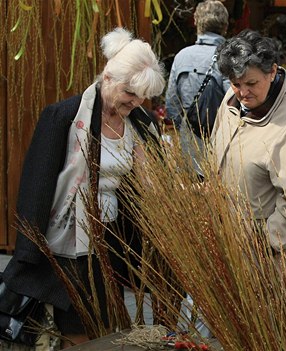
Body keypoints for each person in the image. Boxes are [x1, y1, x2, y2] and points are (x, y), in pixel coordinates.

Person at [3, 28, 165, 348]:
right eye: (129, 92)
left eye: (141, 96)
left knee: (104, 324)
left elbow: (148, 184)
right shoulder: (63, 116)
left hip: (112, 239)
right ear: (107, 76)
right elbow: (37, 184)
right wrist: (27, 253)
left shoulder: (141, 123)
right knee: (76, 326)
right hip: (67, 239)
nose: (135, 102)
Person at [211, 29, 286, 298]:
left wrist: (263, 242)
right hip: (229, 246)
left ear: (272, 72)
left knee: (272, 335)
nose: (242, 92)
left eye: (251, 83)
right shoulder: (232, 98)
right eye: (236, 83)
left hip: (269, 259)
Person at [166, 0, 229, 168]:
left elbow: (171, 106)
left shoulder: (181, 57)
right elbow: (237, 103)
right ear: (225, 26)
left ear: (196, 23)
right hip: (224, 149)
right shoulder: (230, 58)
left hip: (190, 148)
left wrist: (188, 128)